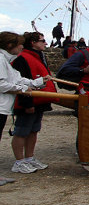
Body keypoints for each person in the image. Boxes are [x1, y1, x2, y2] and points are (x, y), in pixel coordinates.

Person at [0, 31, 47, 181]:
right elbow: (1, 83)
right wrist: (23, 90)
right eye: (19, 44)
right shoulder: (1, 59)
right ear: (9, 45)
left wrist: (37, 83)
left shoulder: (6, 60)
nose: (22, 46)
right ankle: (17, 163)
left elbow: (18, 78)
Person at [11, 32, 58, 174]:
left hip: (39, 100)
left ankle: (29, 158)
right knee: (21, 131)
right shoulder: (22, 59)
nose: (45, 43)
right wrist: (27, 103)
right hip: (28, 100)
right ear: (32, 42)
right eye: (42, 41)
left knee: (33, 130)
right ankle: (19, 161)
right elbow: (20, 82)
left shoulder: (39, 57)